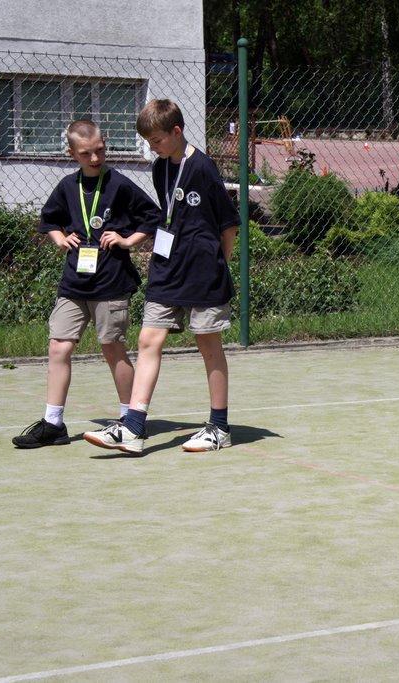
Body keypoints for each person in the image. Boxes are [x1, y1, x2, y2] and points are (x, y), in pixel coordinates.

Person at [84, 99, 239, 455]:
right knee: (148, 339)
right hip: (166, 268)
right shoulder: (160, 168)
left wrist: (219, 264)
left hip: (203, 272)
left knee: (208, 345)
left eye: (156, 140)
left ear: (177, 131)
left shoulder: (203, 168)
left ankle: (219, 427)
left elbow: (228, 225)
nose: (152, 147)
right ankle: (133, 428)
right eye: (148, 142)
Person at [12, 120, 161, 449]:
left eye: (100, 151)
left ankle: (131, 420)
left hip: (111, 281)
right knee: (58, 347)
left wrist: (127, 240)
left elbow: (152, 217)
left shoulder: (119, 184)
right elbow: (50, 219)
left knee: (112, 347)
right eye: (86, 154)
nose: (95, 158)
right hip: (74, 282)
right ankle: (53, 423)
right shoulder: (68, 186)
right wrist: (59, 238)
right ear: (72, 154)